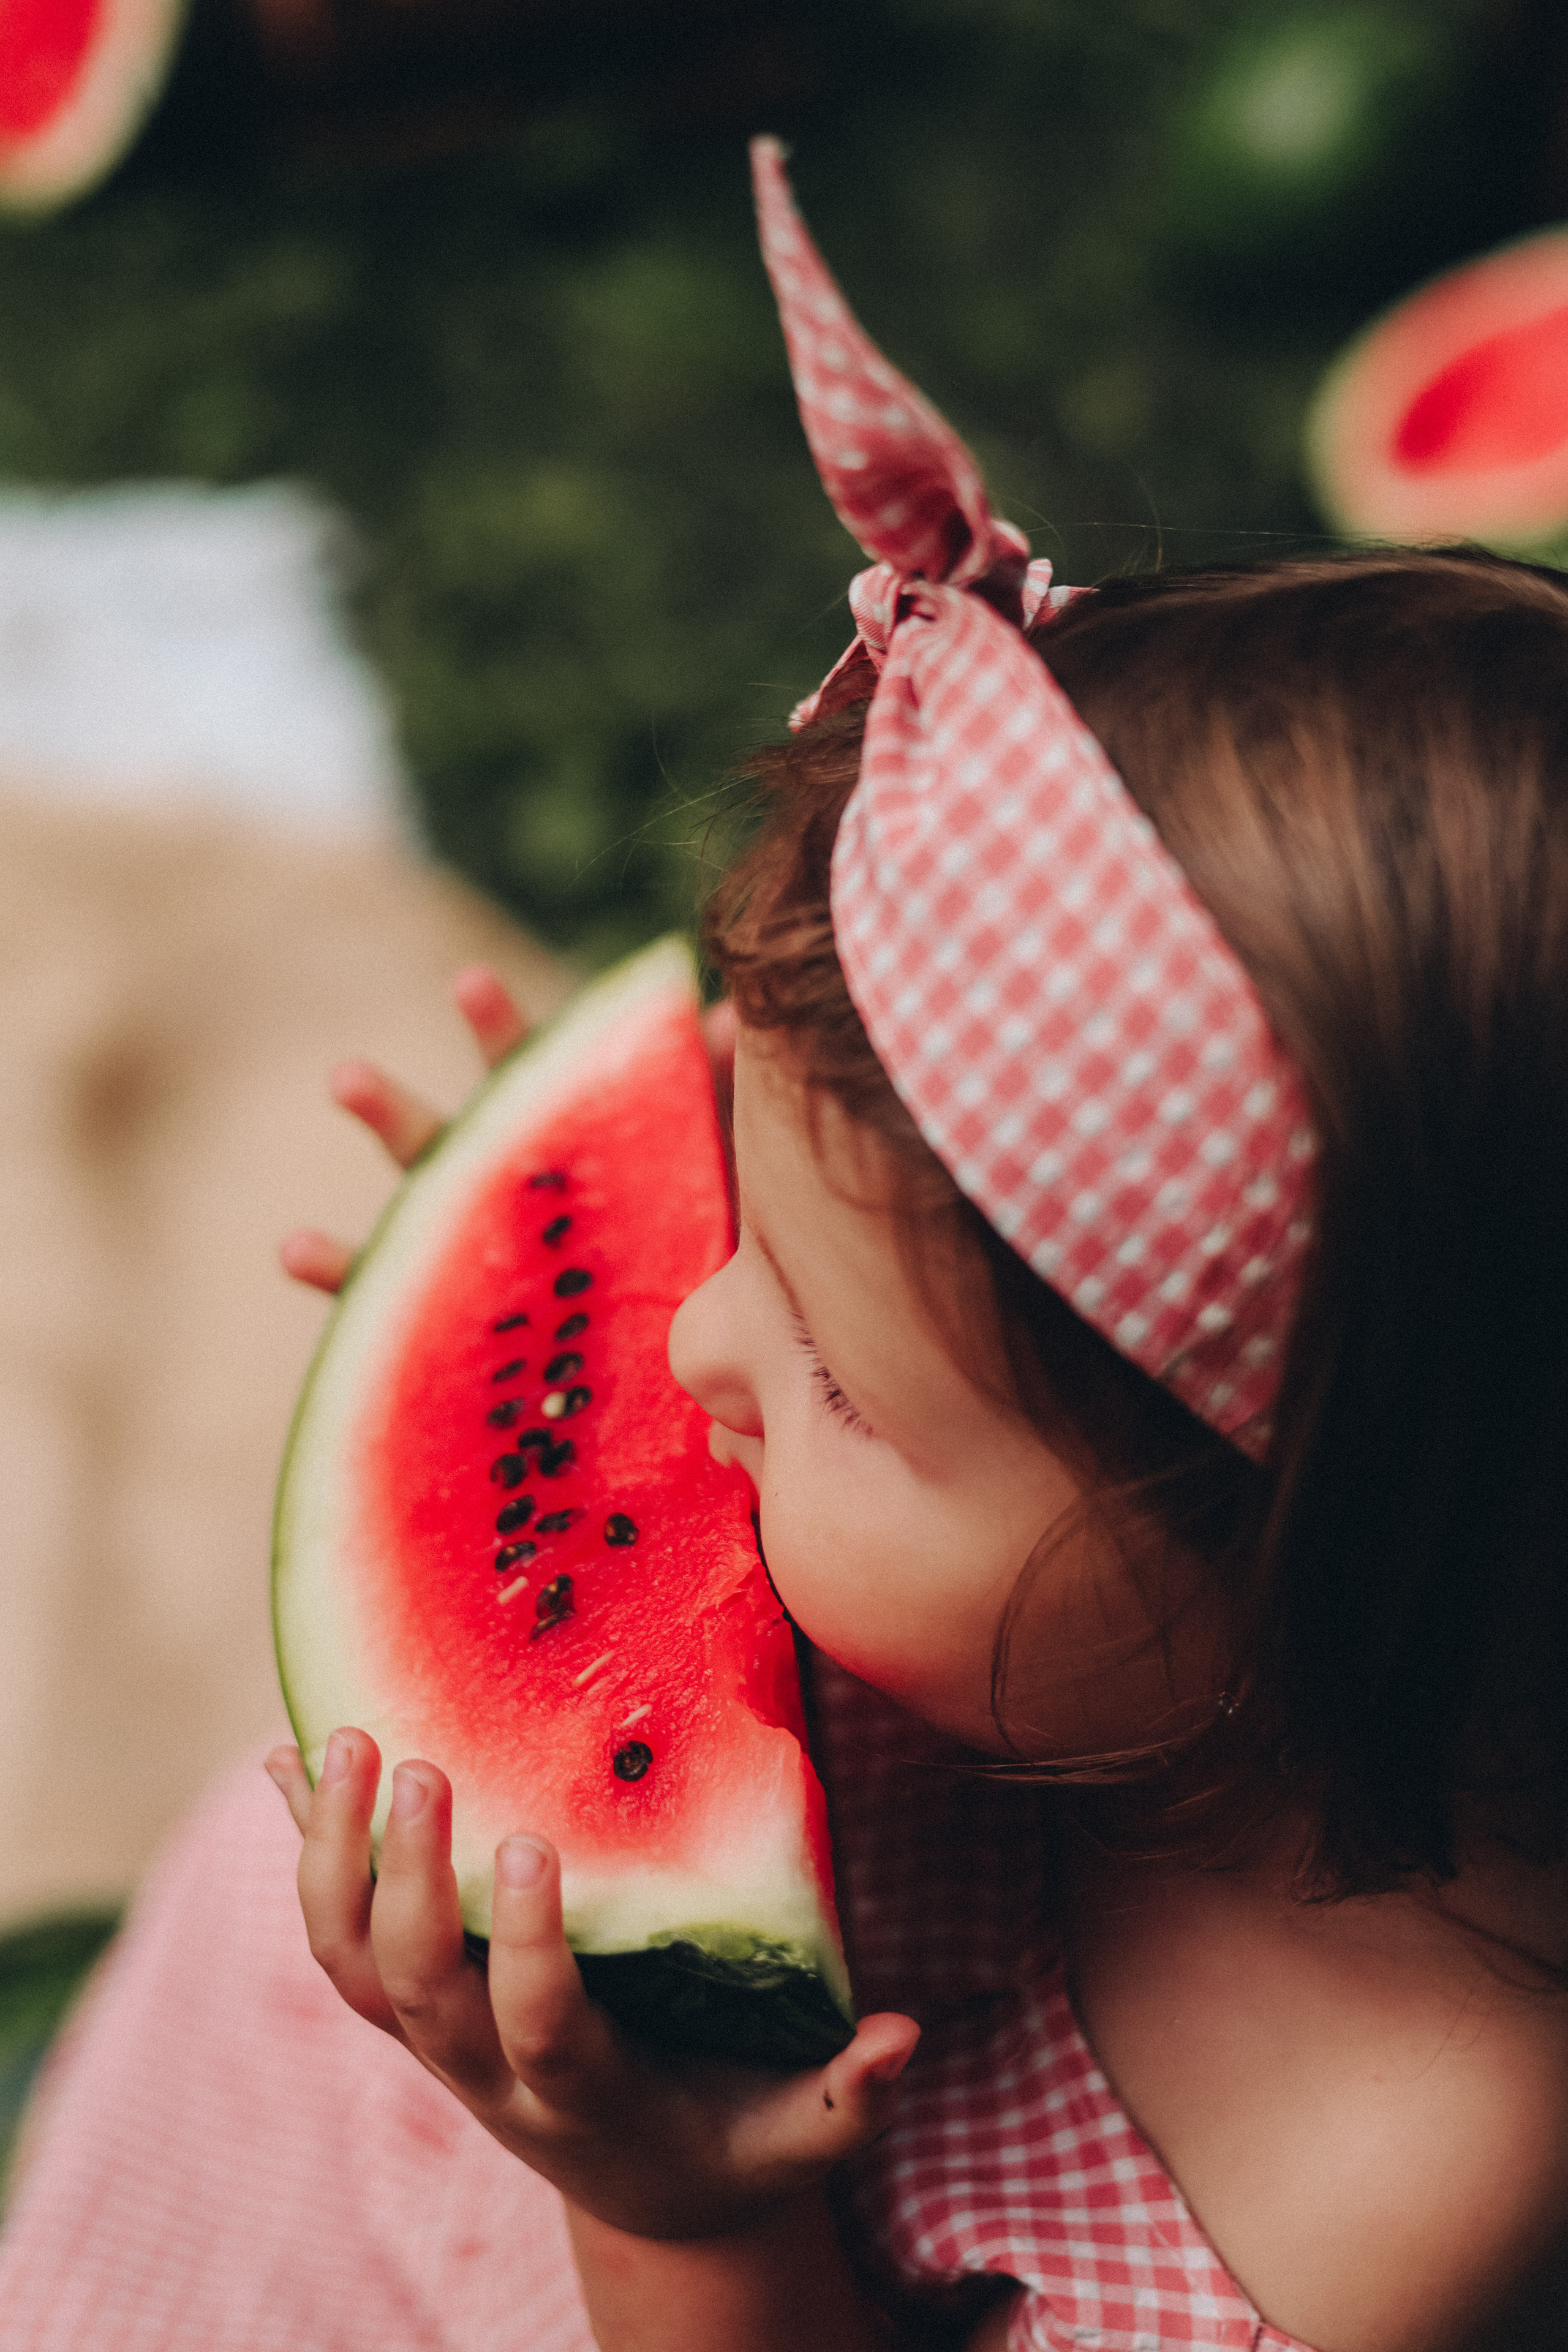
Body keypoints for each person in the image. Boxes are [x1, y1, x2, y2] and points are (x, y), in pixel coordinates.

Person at [6, 138, 1568, 2352]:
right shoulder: (1052, 1576)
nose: (690, 1342)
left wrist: (673, 2215)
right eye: (733, 1204)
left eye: (833, 1374)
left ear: (1305, 1566)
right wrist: (523, 1301)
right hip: (342, 2094)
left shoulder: (1387, 2186)